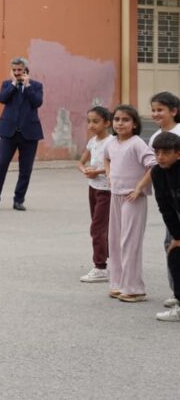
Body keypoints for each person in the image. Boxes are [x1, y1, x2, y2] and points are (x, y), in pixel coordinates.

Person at [132, 91, 180, 308]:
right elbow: (154, 168)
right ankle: (175, 291)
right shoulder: (154, 137)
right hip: (170, 199)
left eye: (160, 109)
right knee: (171, 243)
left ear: (174, 111)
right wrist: (141, 186)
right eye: (153, 110)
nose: (156, 114)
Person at [103, 105, 155, 303]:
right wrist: (108, 173)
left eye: (125, 120)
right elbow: (106, 158)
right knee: (114, 241)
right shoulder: (112, 143)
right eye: (117, 119)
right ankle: (117, 283)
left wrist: (139, 188)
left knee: (129, 242)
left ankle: (134, 288)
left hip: (133, 198)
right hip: (115, 196)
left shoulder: (137, 143)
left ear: (134, 124)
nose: (120, 123)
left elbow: (153, 165)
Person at [0, 57, 44, 211]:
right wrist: (13, 85)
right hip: (9, 132)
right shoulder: (7, 84)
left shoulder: (36, 86)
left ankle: (19, 200)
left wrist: (28, 86)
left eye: (20, 70)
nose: (17, 73)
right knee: (0, 166)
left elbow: (37, 102)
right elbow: (2, 99)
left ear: (26, 70)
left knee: (26, 169)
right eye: (14, 70)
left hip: (30, 133)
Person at [77, 106, 114, 284]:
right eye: (89, 121)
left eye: (96, 121)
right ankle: (106, 258)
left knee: (97, 228)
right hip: (93, 187)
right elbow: (81, 161)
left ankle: (100, 267)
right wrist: (85, 169)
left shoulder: (112, 142)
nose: (91, 125)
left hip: (107, 191)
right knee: (98, 225)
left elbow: (114, 166)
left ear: (107, 123)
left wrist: (97, 171)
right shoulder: (93, 141)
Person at [150, 131, 180, 321]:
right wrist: (177, 237)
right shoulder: (157, 172)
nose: (160, 157)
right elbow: (165, 208)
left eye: (166, 153)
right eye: (157, 153)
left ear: (178, 153)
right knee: (175, 256)